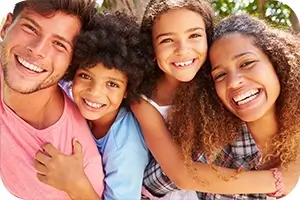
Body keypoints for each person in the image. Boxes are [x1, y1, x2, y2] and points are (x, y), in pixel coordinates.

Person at [130, 0, 298, 199]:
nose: (183, 49)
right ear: (151, 47)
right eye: (167, 40)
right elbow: (179, 174)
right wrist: (278, 181)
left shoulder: (208, 94)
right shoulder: (145, 99)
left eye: (194, 35)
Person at [33, 11, 151, 200]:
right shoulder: (66, 90)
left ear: (128, 90)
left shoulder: (126, 147)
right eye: (85, 76)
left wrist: (74, 184)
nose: (95, 92)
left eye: (112, 84)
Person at [0, 0, 104, 199]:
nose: (38, 50)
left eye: (59, 44)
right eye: (30, 28)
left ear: (71, 63)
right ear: (6, 27)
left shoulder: (76, 161)